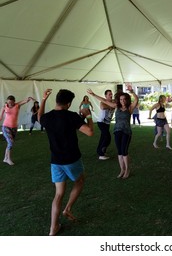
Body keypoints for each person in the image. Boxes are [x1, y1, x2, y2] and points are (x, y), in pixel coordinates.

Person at [38, 88, 94, 236]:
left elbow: (39, 117)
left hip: (55, 161)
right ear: (68, 103)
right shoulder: (71, 116)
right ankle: (68, 208)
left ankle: (53, 229)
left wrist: (43, 99)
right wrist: (88, 116)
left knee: (58, 194)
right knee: (80, 181)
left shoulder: (48, 117)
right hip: (71, 159)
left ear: (56, 100)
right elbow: (90, 132)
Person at [88, 84, 138, 179]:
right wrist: (93, 94)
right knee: (119, 152)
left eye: (124, 99)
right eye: (121, 99)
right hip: (117, 131)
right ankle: (122, 170)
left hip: (126, 132)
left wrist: (132, 92)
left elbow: (136, 100)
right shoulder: (116, 106)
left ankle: (127, 170)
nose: (122, 101)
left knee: (124, 151)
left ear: (127, 100)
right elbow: (104, 100)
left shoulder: (130, 108)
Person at [0, 95, 34, 165]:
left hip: (14, 128)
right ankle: (8, 159)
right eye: (8, 103)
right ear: (7, 101)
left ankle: (5, 158)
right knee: (10, 142)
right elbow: (0, 117)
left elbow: (25, 101)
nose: (10, 104)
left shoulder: (17, 105)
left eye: (11, 103)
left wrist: (29, 98)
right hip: (6, 126)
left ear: (14, 102)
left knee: (10, 143)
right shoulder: (4, 107)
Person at [95, 89, 115, 160]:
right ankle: (101, 154)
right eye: (109, 94)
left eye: (111, 94)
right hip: (101, 122)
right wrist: (111, 106)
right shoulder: (103, 102)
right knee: (107, 137)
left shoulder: (113, 102)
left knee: (103, 137)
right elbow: (102, 107)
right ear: (106, 96)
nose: (111, 95)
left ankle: (99, 151)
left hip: (107, 123)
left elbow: (117, 103)